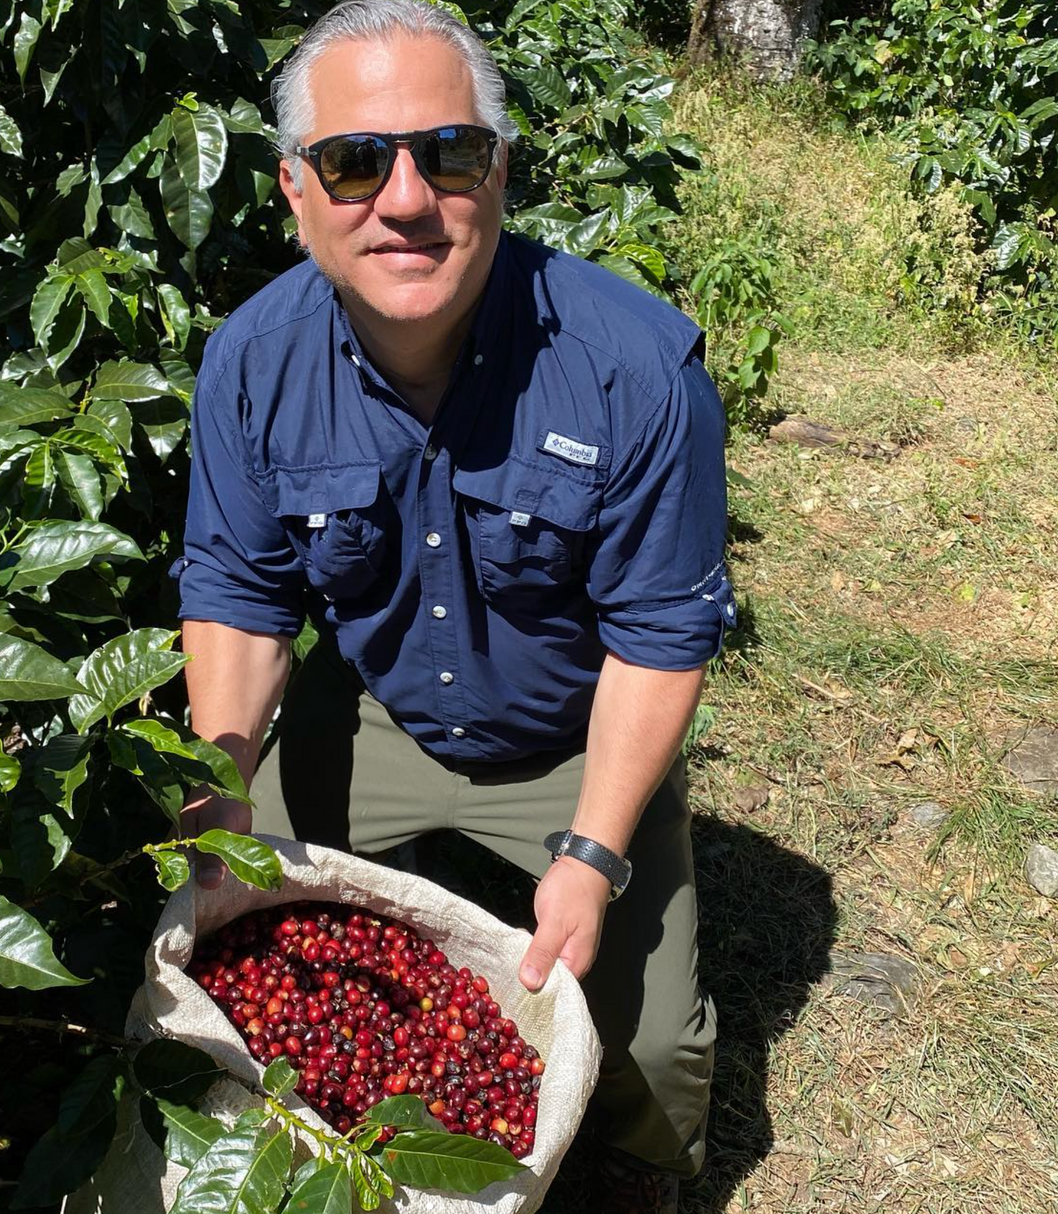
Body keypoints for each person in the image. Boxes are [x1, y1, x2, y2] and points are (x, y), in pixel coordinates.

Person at [170, 2, 736, 1210]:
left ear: (500, 171)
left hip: (570, 729)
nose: (407, 197)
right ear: (292, 189)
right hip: (373, 707)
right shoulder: (252, 362)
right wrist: (215, 798)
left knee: (646, 1052)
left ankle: (648, 1174)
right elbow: (238, 595)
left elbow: (658, 632)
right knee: (232, 948)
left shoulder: (634, 369)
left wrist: (589, 853)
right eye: (355, 160)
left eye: (451, 152)